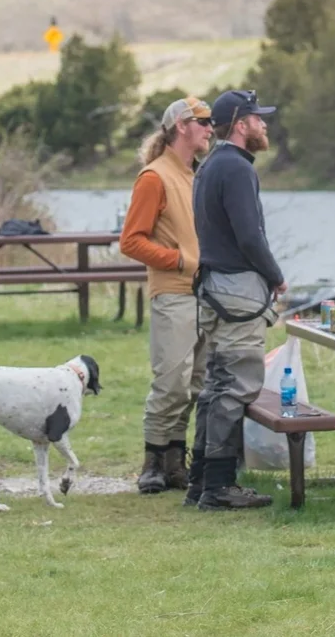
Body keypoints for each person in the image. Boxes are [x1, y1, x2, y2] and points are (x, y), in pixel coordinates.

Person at [187, 90, 286, 511]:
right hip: (237, 292)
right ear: (241, 124)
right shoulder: (237, 169)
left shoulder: (209, 167)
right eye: (258, 118)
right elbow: (250, 235)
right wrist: (276, 276)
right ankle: (220, 486)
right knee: (236, 387)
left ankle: (199, 481)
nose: (265, 124)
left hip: (212, 288)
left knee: (214, 387)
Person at [119, 96, 213, 495]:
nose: (211, 128)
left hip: (206, 294)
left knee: (194, 384)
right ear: (181, 126)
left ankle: (176, 462)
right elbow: (131, 241)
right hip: (173, 293)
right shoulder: (154, 178)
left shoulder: (196, 176)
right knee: (171, 381)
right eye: (204, 122)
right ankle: (152, 462)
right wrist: (178, 260)